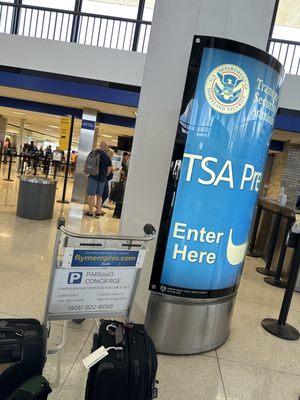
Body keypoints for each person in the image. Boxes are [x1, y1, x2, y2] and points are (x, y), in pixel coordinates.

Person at [85, 141, 112, 219]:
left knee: (92, 195)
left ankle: (90, 212)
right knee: (99, 196)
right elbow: (109, 170)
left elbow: (87, 162)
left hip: (93, 177)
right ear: (106, 147)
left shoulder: (93, 152)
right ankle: (98, 211)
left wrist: (86, 171)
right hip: (102, 179)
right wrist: (104, 175)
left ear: (100, 146)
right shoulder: (107, 157)